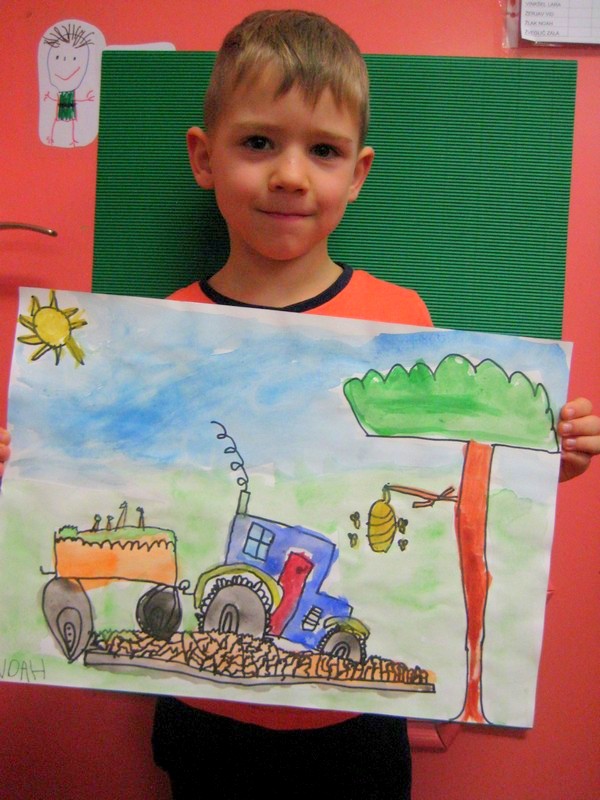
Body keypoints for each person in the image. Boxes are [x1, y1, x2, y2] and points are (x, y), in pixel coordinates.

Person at [1, 9, 599, 799]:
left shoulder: (402, 323)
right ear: (204, 156)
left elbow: (440, 489)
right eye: (258, 142)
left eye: (323, 150)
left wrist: (546, 467)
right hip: (202, 719)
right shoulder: (157, 336)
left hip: (357, 732)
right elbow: (109, 476)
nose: (290, 174)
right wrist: (28, 464)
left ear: (358, 172)